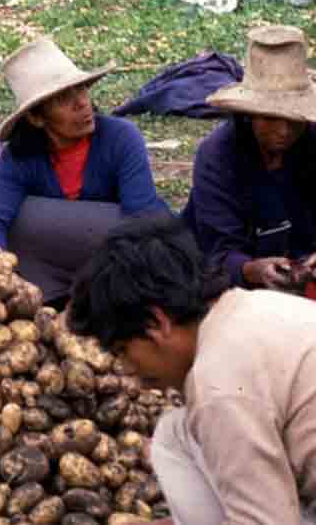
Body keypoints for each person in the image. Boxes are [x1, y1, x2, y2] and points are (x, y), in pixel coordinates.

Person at [68, 213, 316, 524]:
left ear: (158, 323)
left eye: (123, 351)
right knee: (176, 432)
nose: (130, 372)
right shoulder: (253, 307)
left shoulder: (218, 381)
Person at [0, 37, 166, 305]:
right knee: (18, 218)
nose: (82, 104)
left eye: (82, 91)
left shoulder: (121, 137)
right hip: (52, 268)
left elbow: (141, 218)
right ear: (36, 118)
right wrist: (2, 278)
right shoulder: (19, 158)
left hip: (122, 258)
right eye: (64, 99)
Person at [183, 25, 316, 293]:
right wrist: (251, 270)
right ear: (249, 115)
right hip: (232, 282)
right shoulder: (217, 156)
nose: (284, 131)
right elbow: (218, 251)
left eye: (294, 120)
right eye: (270, 118)